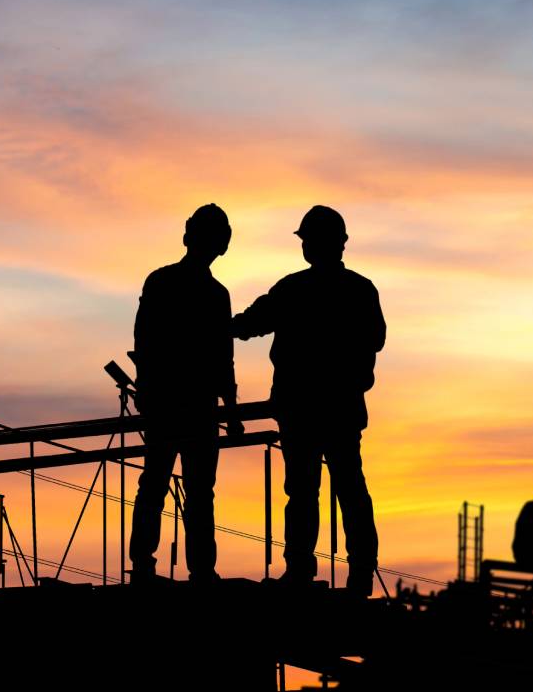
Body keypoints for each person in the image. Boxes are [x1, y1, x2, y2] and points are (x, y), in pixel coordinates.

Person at [234, 205, 385, 596]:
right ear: (342, 243)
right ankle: (358, 573)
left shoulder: (293, 289)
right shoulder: (358, 290)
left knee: (305, 491)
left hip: (304, 407)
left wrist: (209, 326)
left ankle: (303, 569)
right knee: (346, 487)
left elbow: (248, 325)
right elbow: (376, 340)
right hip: (337, 408)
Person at [128, 203, 243, 583]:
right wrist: (231, 411)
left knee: (160, 484)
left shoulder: (165, 282)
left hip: (176, 403)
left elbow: (146, 341)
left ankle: (152, 564)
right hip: (189, 405)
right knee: (190, 489)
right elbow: (220, 359)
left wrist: (146, 388)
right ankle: (196, 569)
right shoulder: (210, 293)